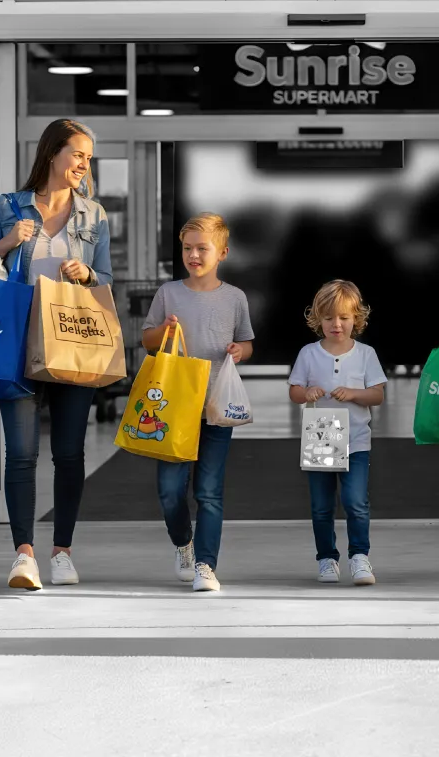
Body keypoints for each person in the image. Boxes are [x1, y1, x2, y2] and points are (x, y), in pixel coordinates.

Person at [0, 119, 112, 590]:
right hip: (17, 345)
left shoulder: (94, 215)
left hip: (73, 343)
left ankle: (62, 552)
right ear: (53, 154)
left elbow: (106, 280)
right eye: (78, 154)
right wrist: (6, 244)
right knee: (22, 453)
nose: (84, 164)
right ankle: (23, 555)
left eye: (88, 157)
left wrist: (86, 275)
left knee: (69, 454)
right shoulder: (8, 208)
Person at [141, 213, 254, 593]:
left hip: (215, 407)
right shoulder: (168, 293)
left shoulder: (235, 298)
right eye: (187, 248)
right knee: (170, 491)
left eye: (201, 248)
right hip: (173, 407)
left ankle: (206, 564)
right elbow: (147, 341)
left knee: (208, 490)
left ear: (222, 252)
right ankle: (183, 544)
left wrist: (242, 351)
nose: (193, 254)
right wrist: (164, 330)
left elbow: (247, 342)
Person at [289, 280, 387, 585]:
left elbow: (378, 395)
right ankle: (327, 559)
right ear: (318, 318)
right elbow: (294, 390)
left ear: (355, 319)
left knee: (356, 501)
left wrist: (355, 393)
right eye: (330, 317)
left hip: (356, 441)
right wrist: (307, 394)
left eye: (344, 317)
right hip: (321, 440)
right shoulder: (308, 354)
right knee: (321, 506)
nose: (337, 324)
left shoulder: (366, 354)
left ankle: (360, 557)